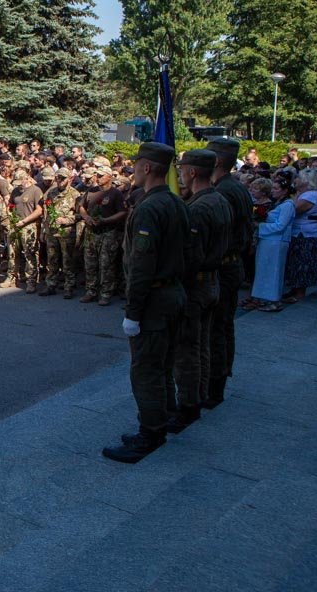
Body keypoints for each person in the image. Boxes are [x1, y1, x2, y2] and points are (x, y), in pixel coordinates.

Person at [102, 142, 188, 464]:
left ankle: (149, 434)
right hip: (172, 293)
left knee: (147, 371)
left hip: (154, 299)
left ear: (147, 167)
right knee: (163, 365)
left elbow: (141, 265)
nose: (133, 170)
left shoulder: (151, 208)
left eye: (136, 164)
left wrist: (133, 312)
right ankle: (162, 419)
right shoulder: (175, 202)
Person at [170, 149, 230, 434]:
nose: (179, 174)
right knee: (203, 343)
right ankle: (202, 394)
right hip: (213, 281)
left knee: (187, 349)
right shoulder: (218, 199)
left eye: (182, 169)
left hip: (196, 284)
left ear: (192, 172)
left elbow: (190, 256)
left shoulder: (198, 207)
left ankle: (188, 405)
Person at [206, 137, 253, 409]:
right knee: (222, 326)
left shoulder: (224, 190)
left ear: (217, 161)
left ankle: (214, 386)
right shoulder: (232, 186)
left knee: (216, 328)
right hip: (230, 264)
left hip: (222, 266)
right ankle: (216, 382)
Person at [79, 166, 127, 306]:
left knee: (107, 264)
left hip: (108, 232)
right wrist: (86, 216)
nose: (97, 178)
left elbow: (123, 212)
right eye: (97, 175)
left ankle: (106, 293)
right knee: (90, 263)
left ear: (109, 177)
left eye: (100, 175)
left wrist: (106, 220)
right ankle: (91, 291)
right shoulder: (91, 191)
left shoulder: (115, 193)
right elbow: (82, 206)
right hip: (91, 232)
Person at [248, 178, 295, 312]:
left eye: (276, 189)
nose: (273, 191)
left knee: (274, 270)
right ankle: (263, 297)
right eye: (272, 188)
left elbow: (280, 225)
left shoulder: (288, 205)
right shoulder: (277, 203)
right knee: (264, 269)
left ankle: (274, 300)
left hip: (277, 241)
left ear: (285, 191)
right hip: (267, 240)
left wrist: (260, 225)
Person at [283, 169, 317, 302]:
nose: (295, 181)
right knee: (296, 261)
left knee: (302, 262)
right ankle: (294, 289)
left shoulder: (310, 195)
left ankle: (299, 292)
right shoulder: (304, 194)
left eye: (298, 178)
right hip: (300, 231)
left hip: (305, 233)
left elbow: (294, 210)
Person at [2, 169, 43, 293]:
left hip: (29, 226)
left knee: (30, 253)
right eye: (17, 183)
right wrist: (9, 215)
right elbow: (10, 205)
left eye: (21, 182)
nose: (19, 185)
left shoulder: (36, 191)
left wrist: (25, 221)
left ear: (27, 178)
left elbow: (39, 210)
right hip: (15, 224)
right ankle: (11, 277)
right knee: (12, 252)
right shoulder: (15, 191)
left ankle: (31, 280)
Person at [41, 167, 80, 297]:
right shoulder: (51, 193)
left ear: (69, 179)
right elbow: (46, 212)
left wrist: (66, 220)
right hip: (52, 231)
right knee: (52, 259)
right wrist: (44, 230)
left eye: (62, 178)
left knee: (67, 261)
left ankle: (69, 286)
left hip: (66, 232)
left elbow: (80, 215)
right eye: (57, 178)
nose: (59, 181)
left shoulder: (75, 194)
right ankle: (51, 284)